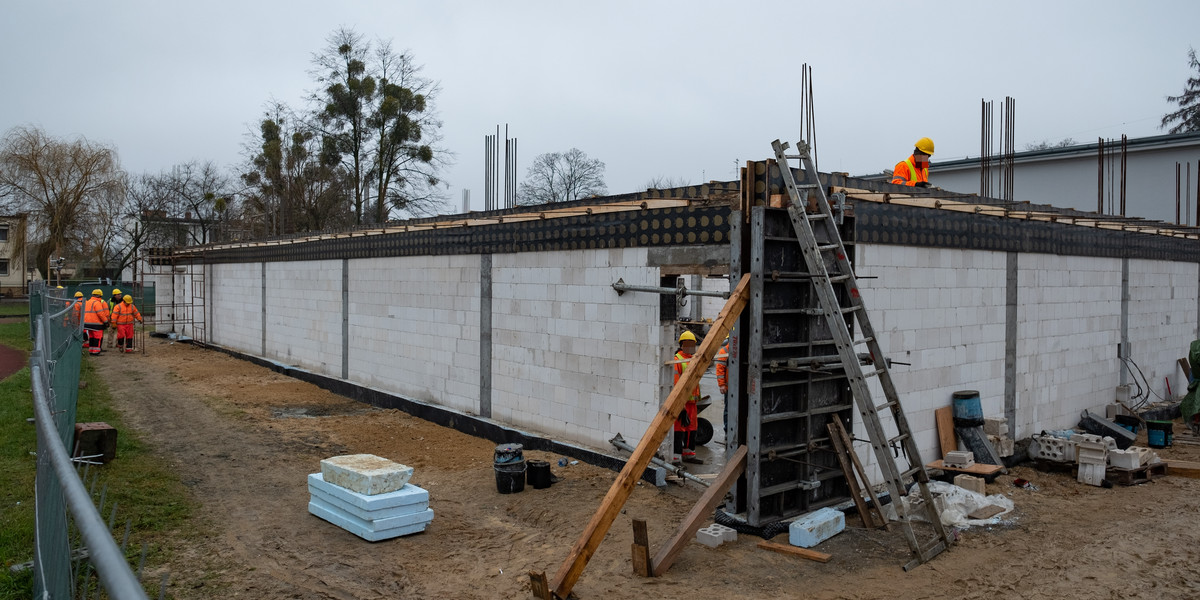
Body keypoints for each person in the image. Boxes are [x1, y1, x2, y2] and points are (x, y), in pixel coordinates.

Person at [672, 330, 702, 464]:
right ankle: (676, 456)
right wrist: (680, 404)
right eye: (688, 344)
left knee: (692, 428)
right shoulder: (677, 359)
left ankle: (689, 454)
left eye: (693, 344)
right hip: (682, 403)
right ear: (682, 344)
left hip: (692, 402)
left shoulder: (692, 359)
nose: (691, 347)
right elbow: (675, 382)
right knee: (679, 429)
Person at [82, 289, 110, 355]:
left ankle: (91, 350)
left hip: (87, 324)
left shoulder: (87, 302)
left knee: (91, 337)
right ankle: (96, 351)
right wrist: (106, 322)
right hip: (97, 324)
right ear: (100, 296)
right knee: (97, 337)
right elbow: (101, 314)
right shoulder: (97, 303)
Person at [715, 335, 730, 428]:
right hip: (729, 388)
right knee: (728, 410)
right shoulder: (724, 351)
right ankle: (727, 430)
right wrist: (722, 385)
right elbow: (720, 370)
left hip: (740, 387)